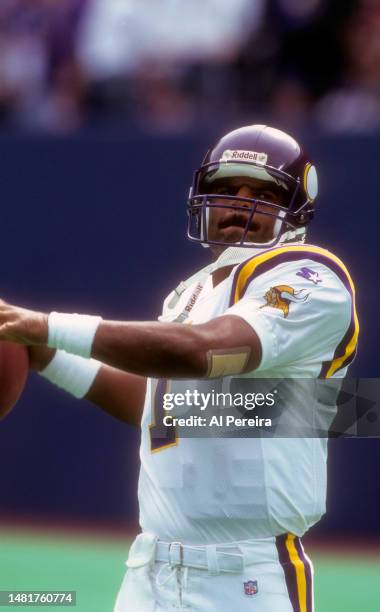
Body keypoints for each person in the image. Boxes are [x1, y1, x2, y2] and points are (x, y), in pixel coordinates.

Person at [0, 125, 359, 611]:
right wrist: (46, 353)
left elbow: (201, 353)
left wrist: (47, 327)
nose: (239, 205)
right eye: (226, 190)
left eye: (263, 193)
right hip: (149, 569)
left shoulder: (311, 275)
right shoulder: (192, 293)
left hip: (245, 578)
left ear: (297, 208)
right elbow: (165, 407)